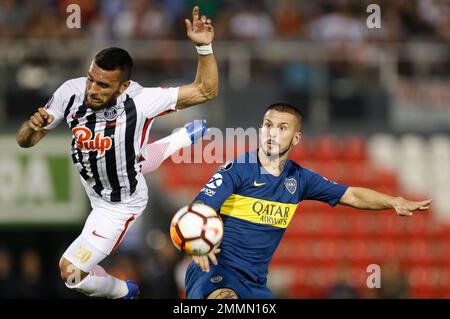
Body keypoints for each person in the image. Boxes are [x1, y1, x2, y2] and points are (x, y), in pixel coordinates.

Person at [16, 6, 218, 299]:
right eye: (90, 79)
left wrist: (204, 47)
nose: (92, 89)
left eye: (103, 85)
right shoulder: (71, 91)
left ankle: (121, 291)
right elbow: (26, 141)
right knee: (131, 157)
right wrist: (31, 127)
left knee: (71, 271)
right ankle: (179, 139)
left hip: (118, 204)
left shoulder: (142, 100)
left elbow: (205, 90)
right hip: (104, 176)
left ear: (123, 86)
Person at [184, 103, 432, 299]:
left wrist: (393, 201)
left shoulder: (300, 178)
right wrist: (198, 244)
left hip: (255, 283)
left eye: (282, 128)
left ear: (296, 138)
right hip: (215, 271)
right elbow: (199, 208)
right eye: (268, 125)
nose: (272, 132)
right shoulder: (237, 169)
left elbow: (352, 195)